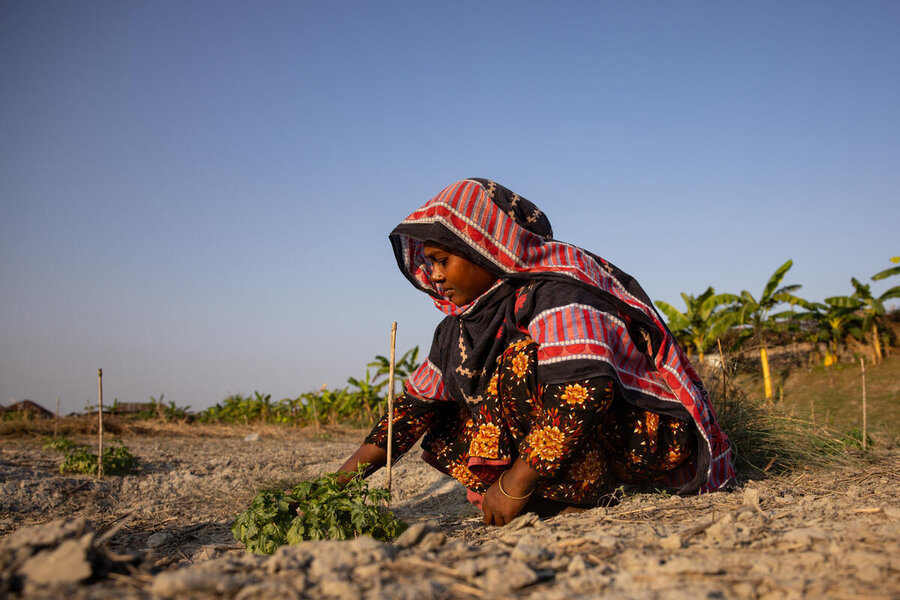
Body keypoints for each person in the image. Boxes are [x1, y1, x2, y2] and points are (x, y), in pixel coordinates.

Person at [338, 178, 735, 526]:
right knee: (447, 407)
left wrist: (513, 484)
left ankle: (575, 494)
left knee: (519, 361)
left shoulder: (557, 296)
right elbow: (409, 414)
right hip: (565, 445)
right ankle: (551, 491)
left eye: (442, 260)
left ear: (481, 247)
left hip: (638, 436)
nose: (436, 276)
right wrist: (331, 488)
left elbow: (587, 392)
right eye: (429, 263)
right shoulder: (457, 329)